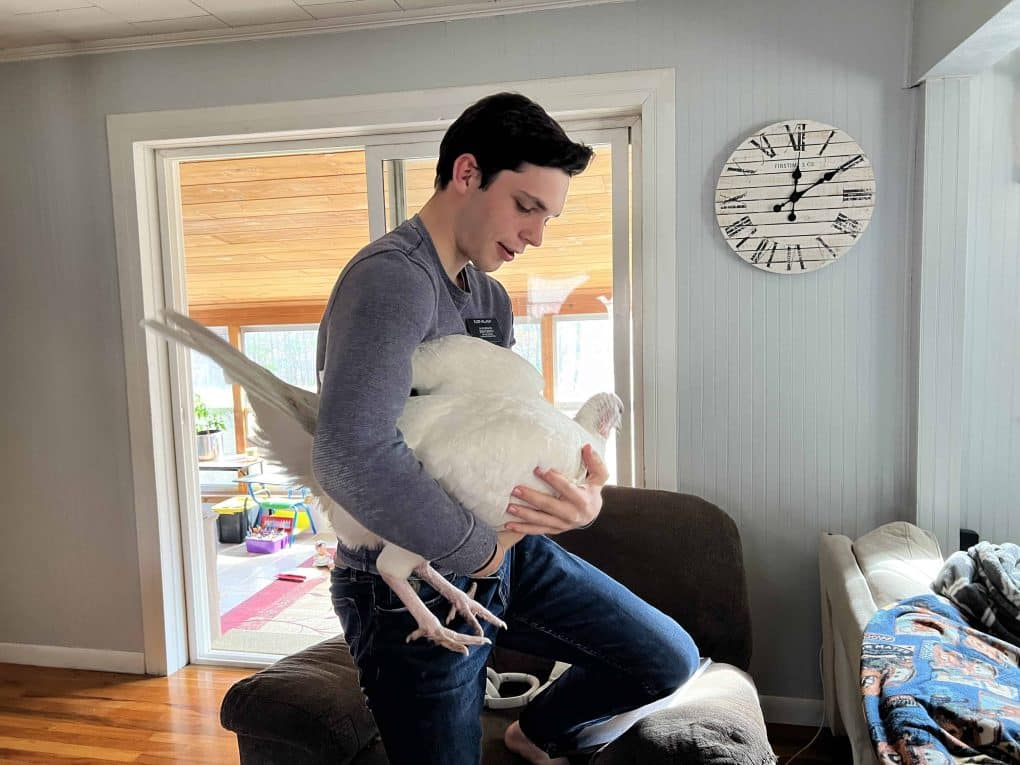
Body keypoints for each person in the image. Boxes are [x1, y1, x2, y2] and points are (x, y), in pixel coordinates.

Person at [312, 92, 698, 765]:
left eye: (548, 216)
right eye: (526, 206)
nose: (536, 235)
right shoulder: (393, 281)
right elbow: (352, 454)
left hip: (505, 551)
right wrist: (479, 550)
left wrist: (575, 492)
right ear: (466, 173)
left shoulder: (487, 296)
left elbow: (497, 426)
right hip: (413, 578)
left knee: (666, 656)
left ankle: (537, 729)